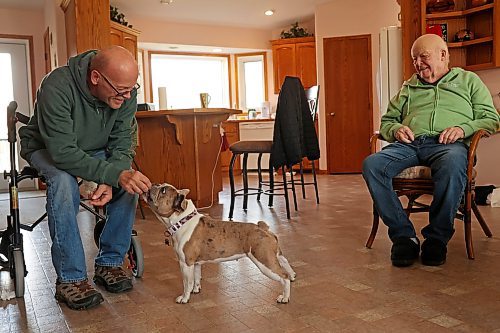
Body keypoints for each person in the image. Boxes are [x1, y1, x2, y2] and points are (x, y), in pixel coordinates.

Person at [19, 46, 152, 310]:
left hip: (94, 150)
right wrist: (112, 173)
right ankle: (71, 278)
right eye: (120, 91)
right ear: (95, 78)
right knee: (64, 183)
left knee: (129, 184)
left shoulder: (126, 92)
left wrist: (112, 178)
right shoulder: (56, 86)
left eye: (131, 89)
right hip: (48, 148)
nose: (127, 97)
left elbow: (123, 142)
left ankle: (110, 263)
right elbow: (63, 153)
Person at [362, 34, 499, 267]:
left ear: (443, 55)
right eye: (414, 59)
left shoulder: (468, 80)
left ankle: (436, 239)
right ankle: (404, 236)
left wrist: (463, 128)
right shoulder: (408, 87)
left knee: (454, 163)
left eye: (423, 57)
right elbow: (386, 122)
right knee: (372, 165)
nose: (417, 63)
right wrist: (395, 129)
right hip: (409, 145)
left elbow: (492, 119)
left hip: (449, 146)